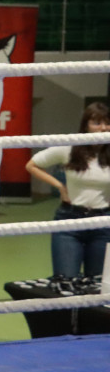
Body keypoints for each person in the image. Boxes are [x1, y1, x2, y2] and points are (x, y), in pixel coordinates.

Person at [25, 102, 110, 279]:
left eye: (107, 123)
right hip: (69, 221)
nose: (103, 128)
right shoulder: (70, 147)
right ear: (85, 126)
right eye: (97, 123)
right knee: (65, 280)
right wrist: (60, 187)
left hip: (103, 224)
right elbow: (32, 165)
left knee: (97, 284)